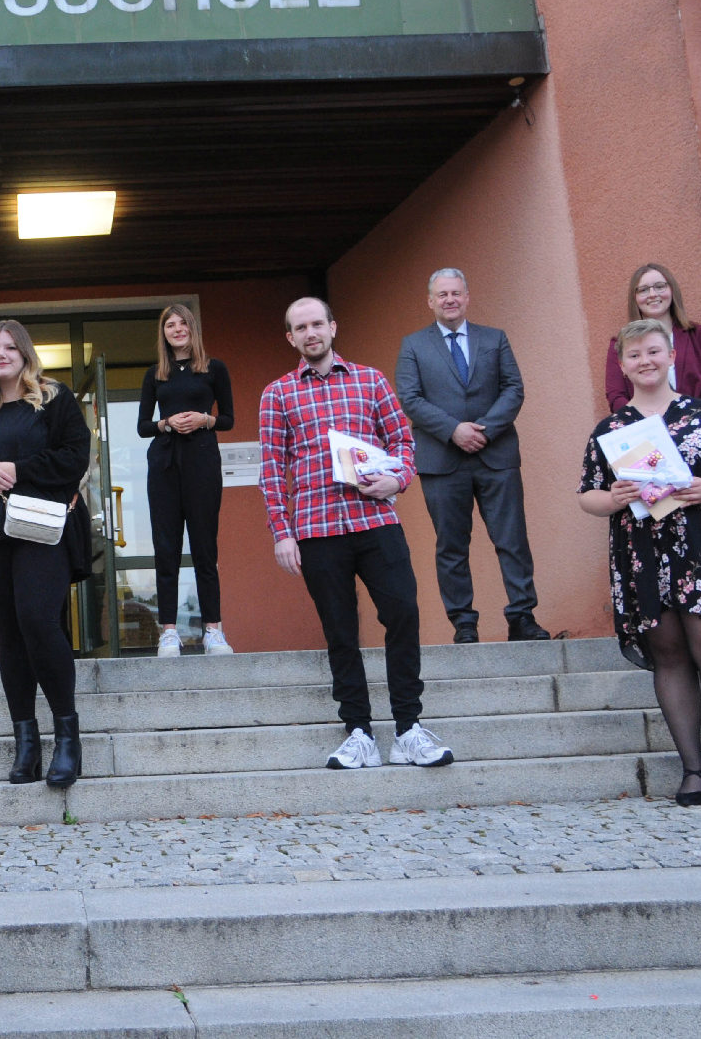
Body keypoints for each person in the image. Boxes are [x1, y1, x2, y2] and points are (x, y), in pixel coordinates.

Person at [259, 297, 455, 771]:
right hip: (316, 528)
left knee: (403, 614)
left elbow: (403, 441)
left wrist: (399, 479)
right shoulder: (277, 394)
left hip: (376, 521)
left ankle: (408, 729)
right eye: (300, 327)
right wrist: (282, 534)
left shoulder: (371, 381)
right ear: (290, 337)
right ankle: (359, 733)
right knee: (340, 633)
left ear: (333, 327)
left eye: (317, 324)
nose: (311, 333)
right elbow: (271, 469)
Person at [579, 318, 701, 809]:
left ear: (670, 355)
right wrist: (613, 498)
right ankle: (693, 772)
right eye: (635, 355)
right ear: (623, 366)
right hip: (642, 550)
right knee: (670, 655)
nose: (646, 361)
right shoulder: (611, 430)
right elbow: (588, 498)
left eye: (653, 351)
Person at [0, 320, 92, 787]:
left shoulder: (53, 400)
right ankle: (25, 743)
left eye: (10, 347)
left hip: (39, 532)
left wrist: (13, 468)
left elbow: (74, 457)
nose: (1, 354)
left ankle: (67, 737)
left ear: (26, 354)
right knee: (9, 635)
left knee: (37, 620)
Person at [394, 269, 549, 645]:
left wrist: (482, 429)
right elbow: (410, 398)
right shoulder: (413, 345)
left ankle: (522, 616)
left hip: (495, 454)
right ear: (430, 301)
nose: (450, 300)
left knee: (512, 539)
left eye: (456, 293)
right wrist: (454, 430)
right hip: (441, 460)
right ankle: (464, 623)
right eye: (442, 294)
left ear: (467, 297)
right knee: (451, 545)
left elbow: (514, 388)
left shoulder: (494, 339)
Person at [136, 303, 236, 657]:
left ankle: (213, 630)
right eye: (169, 325)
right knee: (166, 549)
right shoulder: (155, 374)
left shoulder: (214, 369)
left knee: (205, 548)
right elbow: (142, 426)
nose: (177, 330)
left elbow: (228, 419)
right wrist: (167, 424)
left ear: (192, 328)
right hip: (164, 464)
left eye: (182, 324)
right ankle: (169, 632)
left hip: (202, 462)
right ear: (163, 333)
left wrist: (203, 419)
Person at [604, 262, 701, 412]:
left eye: (659, 286)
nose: (652, 294)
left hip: (699, 424)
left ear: (672, 290)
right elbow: (616, 397)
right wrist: (647, 423)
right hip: (647, 432)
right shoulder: (620, 344)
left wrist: (692, 419)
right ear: (634, 298)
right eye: (643, 290)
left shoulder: (700, 335)